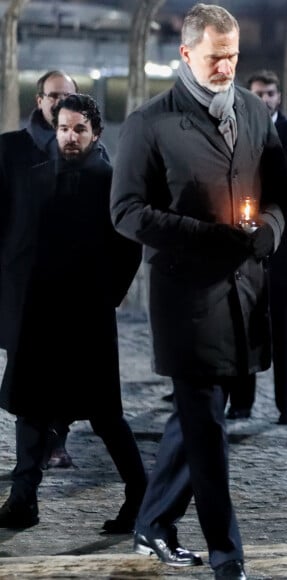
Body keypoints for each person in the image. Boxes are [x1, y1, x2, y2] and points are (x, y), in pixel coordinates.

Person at [109, 4, 287, 579]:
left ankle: (152, 522)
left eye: (233, 55)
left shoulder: (256, 116)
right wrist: (207, 238)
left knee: (196, 416)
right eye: (216, 56)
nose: (226, 66)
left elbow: (282, 197)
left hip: (243, 295)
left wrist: (268, 232)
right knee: (208, 426)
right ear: (186, 53)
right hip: (186, 300)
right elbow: (125, 212)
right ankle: (227, 555)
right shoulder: (150, 123)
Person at [0, 94, 147, 533]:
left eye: (79, 129)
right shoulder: (37, 178)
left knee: (104, 415)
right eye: (64, 128)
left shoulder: (111, 182)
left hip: (86, 320)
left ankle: (140, 495)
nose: (70, 136)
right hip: (39, 317)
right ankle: (22, 500)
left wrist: (108, 296)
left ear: (95, 133)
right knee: (31, 410)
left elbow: (129, 247)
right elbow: (17, 245)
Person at [225, 69, 287, 425]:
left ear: (279, 96)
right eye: (258, 93)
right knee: (242, 328)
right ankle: (241, 402)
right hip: (244, 250)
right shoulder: (236, 133)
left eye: (270, 93)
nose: (264, 99)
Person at [0, 70, 80, 470]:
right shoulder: (11, 149)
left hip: (68, 286)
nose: (59, 101)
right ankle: (28, 459)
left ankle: (56, 442)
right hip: (22, 282)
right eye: (53, 95)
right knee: (25, 375)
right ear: (39, 100)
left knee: (63, 369)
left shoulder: (86, 152)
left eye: (67, 95)